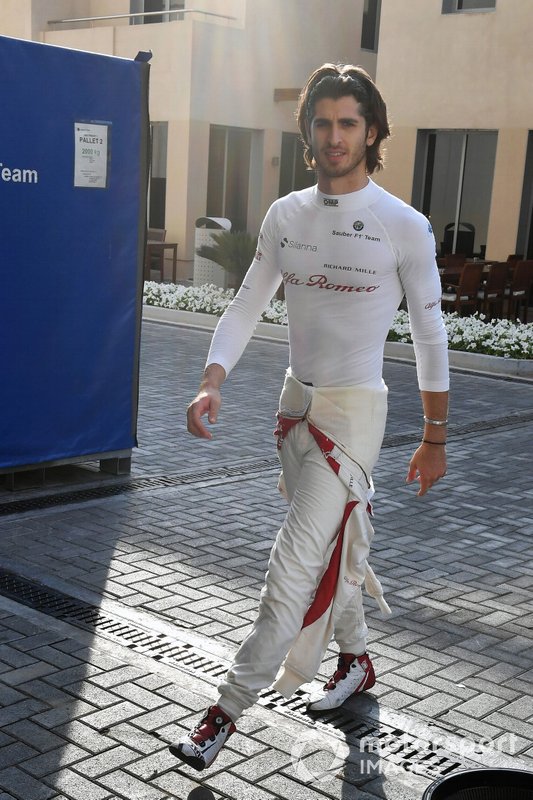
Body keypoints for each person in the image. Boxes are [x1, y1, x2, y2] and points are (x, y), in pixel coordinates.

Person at [170, 63, 449, 771]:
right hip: (293, 409)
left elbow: (428, 334)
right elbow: (243, 304)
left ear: (373, 130)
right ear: (308, 131)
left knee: (291, 569)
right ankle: (355, 660)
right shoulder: (284, 216)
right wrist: (211, 382)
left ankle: (221, 715)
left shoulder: (403, 226)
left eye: (347, 123)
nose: (333, 136)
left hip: (354, 418)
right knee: (334, 548)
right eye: (321, 122)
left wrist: (434, 435)